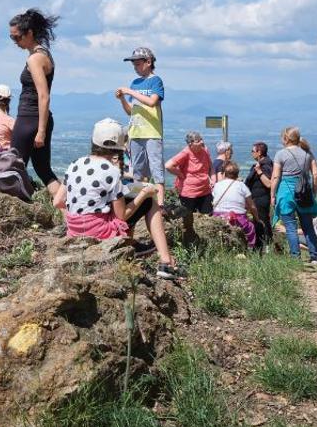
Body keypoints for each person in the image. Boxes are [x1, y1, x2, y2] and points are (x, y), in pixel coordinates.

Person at [54, 119, 182, 280]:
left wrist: (81, 217)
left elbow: (57, 201)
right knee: (149, 202)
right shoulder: (111, 171)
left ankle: (129, 245)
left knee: (124, 201)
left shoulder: (75, 164)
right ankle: (166, 262)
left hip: (74, 230)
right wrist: (144, 193)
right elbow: (122, 216)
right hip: (100, 232)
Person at [9, 9, 61, 195]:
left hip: (29, 118)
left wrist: (40, 130)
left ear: (29, 33)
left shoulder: (35, 59)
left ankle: (14, 213)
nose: (15, 42)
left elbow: (43, 95)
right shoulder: (44, 54)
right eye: (12, 38)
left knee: (12, 168)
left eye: (17, 37)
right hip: (38, 119)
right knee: (44, 170)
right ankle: (69, 213)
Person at [116, 47, 165, 200]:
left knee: (156, 170)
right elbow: (131, 111)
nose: (135, 68)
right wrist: (122, 99)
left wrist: (130, 92)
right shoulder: (135, 83)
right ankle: (140, 201)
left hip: (152, 132)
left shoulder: (155, 81)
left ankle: (160, 203)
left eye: (138, 64)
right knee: (138, 171)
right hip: (135, 132)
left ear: (148, 62)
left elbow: (152, 102)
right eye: (134, 65)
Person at [269, 127, 317, 264]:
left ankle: (295, 258)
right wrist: (314, 191)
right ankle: (315, 256)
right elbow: (316, 174)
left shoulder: (280, 154)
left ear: (286, 139)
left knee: (290, 226)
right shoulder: (307, 153)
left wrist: (272, 195)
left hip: (285, 192)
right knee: (308, 226)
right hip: (305, 192)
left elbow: (275, 176)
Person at [165, 131, 213, 239]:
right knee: (188, 221)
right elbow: (168, 165)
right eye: (198, 140)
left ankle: (206, 241)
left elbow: (210, 165)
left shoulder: (205, 150)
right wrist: (181, 175)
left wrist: (211, 179)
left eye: (201, 139)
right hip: (189, 192)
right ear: (190, 143)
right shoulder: (185, 153)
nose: (202, 142)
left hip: (205, 190)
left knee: (207, 217)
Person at [210, 161, 258, 248]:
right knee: (250, 228)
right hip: (238, 218)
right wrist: (257, 218)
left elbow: (214, 199)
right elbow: (252, 206)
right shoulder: (242, 186)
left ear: (224, 173)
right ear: (237, 174)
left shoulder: (217, 185)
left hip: (219, 217)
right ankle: (250, 249)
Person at [243, 142, 274, 246]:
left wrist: (259, 171)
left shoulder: (265, 165)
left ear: (259, 152)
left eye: (253, 151)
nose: (251, 153)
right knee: (261, 221)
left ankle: (263, 246)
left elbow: (269, 183)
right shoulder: (262, 164)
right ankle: (264, 245)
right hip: (257, 198)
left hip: (261, 199)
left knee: (261, 222)